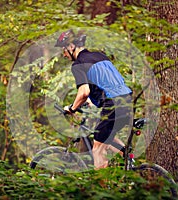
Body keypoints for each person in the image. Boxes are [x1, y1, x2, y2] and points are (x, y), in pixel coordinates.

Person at [55, 29, 133, 169]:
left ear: (71, 46)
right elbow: (107, 83)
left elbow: (84, 92)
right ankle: (131, 164)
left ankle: (100, 186)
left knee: (97, 149)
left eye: (64, 50)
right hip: (127, 100)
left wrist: (72, 108)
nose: (64, 54)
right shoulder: (100, 56)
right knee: (106, 138)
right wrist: (92, 101)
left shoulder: (78, 64)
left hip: (112, 104)